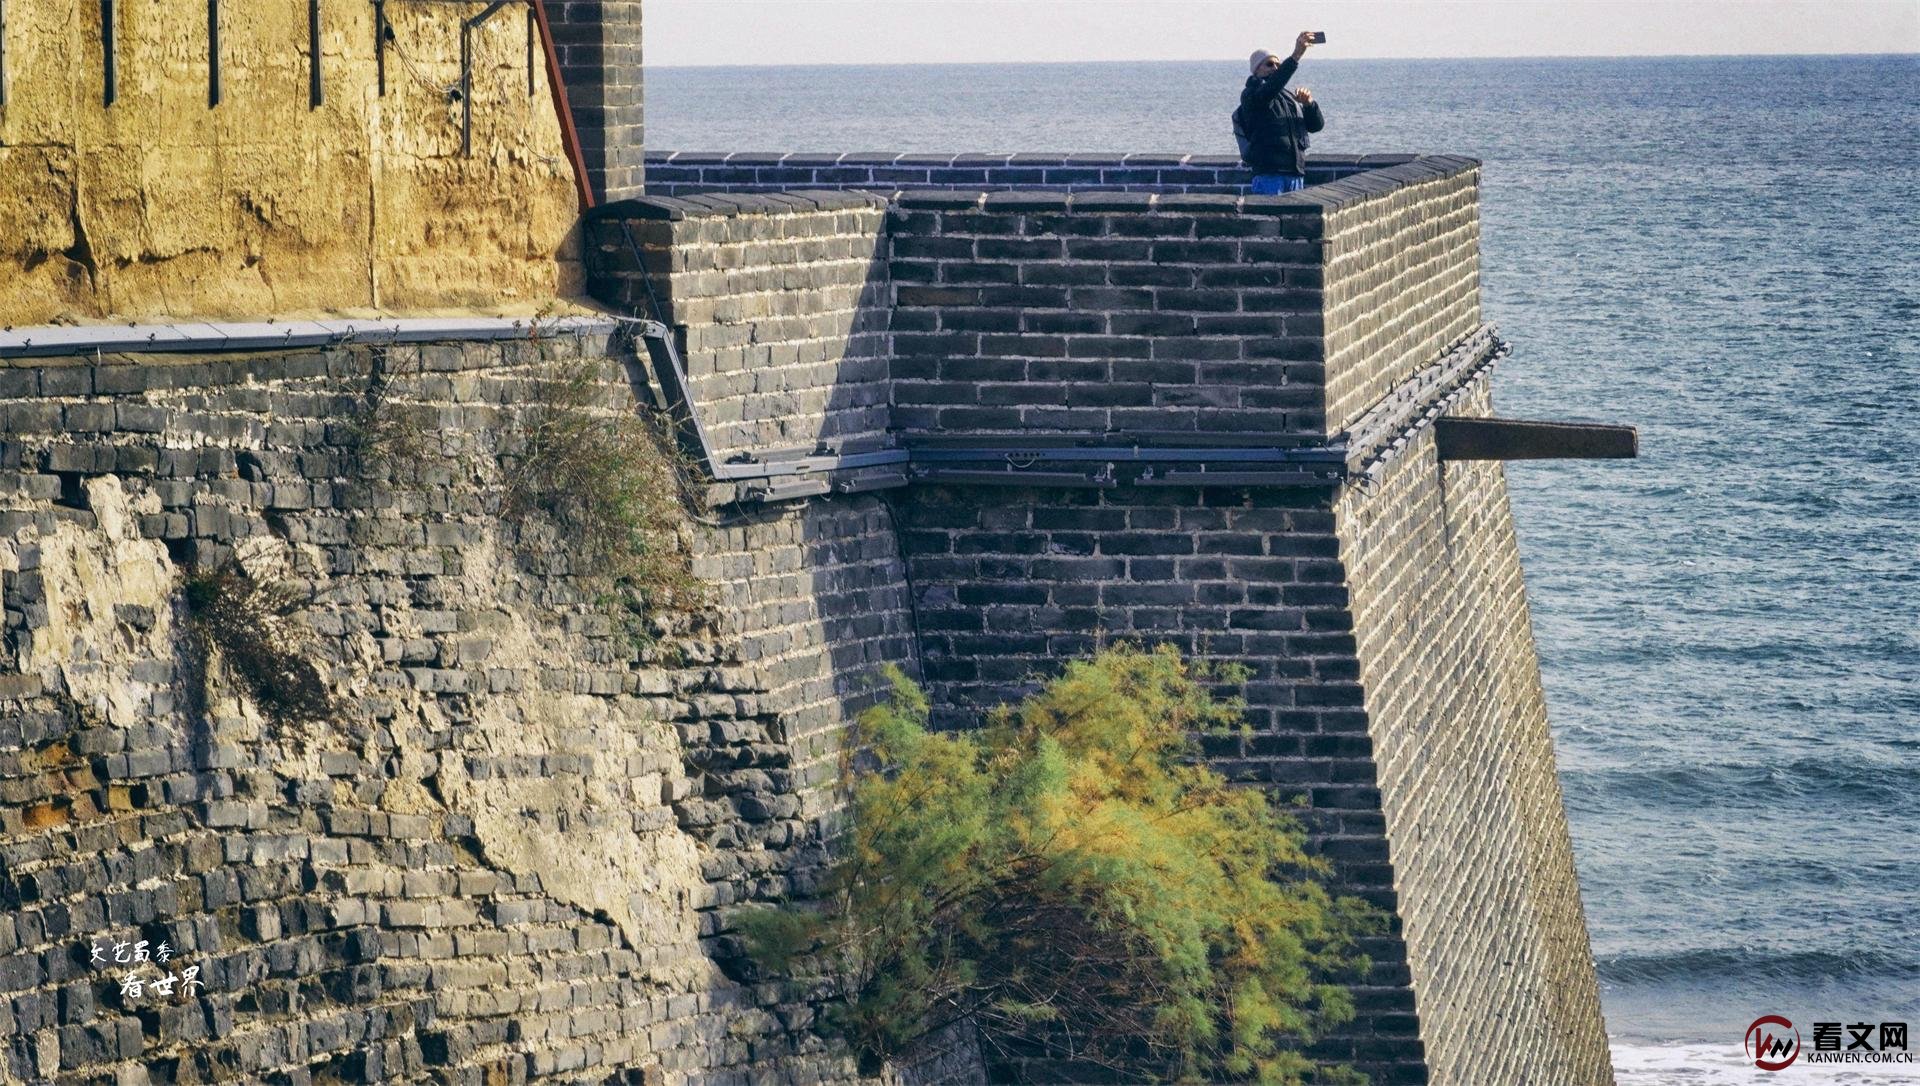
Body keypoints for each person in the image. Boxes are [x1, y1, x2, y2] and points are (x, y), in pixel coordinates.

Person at [1238, 32, 1325, 194]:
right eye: (1269, 65)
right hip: (1268, 175)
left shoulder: (1288, 97)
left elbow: (1316, 126)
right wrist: (1296, 55)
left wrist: (1309, 104)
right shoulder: (1251, 94)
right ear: (1256, 70)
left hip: (1295, 174)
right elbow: (1269, 90)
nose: (1275, 69)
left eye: (1278, 65)